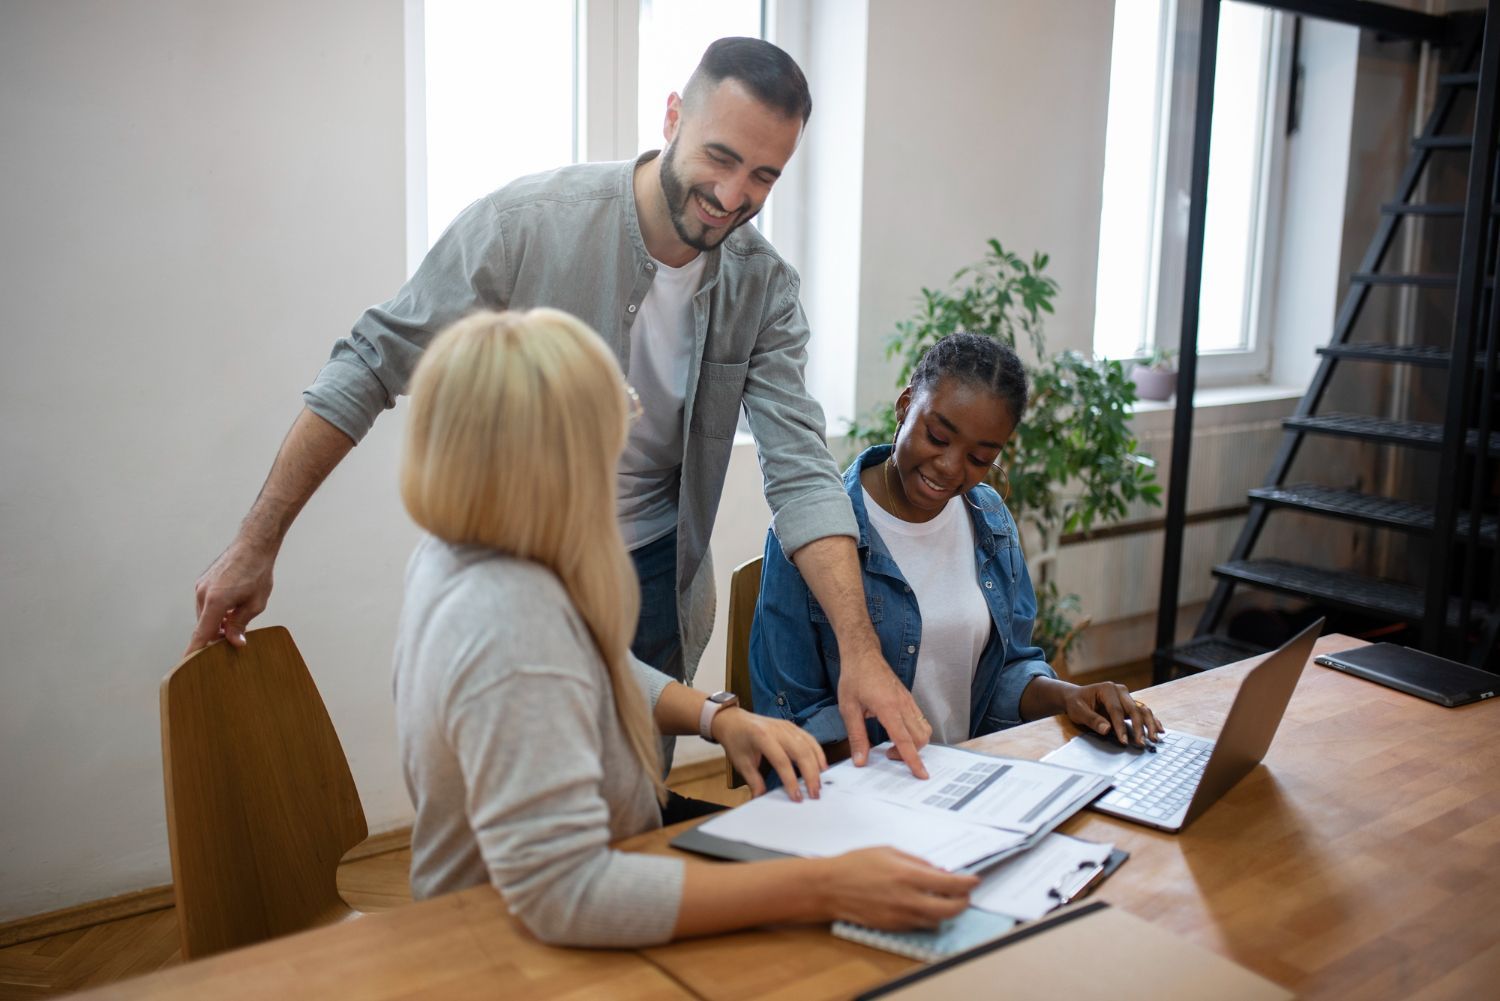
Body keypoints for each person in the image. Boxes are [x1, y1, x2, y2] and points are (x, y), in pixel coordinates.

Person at [189, 36, 930, 776]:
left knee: (633, 807)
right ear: (672, 116)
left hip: (655, 579)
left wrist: (859, 653)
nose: (734, 196)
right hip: (521, 565)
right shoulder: (525, 225)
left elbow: (800, 468)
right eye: (721, 158)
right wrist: (257, 541)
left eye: (764, 176)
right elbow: (372, 361)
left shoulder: (764, 288)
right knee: (524, 830)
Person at [392, 308, 975, 946]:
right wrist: (827, 886)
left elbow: (582, 667)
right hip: (499, 944)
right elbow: (567, 895)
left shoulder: (465, 550)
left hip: (593, 856)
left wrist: (717, 718)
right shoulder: (508, 615)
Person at [751, 333, 1164, 751]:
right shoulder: (814, 533)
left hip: (959, 780)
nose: (950, 468)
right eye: (937, 437)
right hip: (858, 791)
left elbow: (1003, 672)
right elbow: (796, 715)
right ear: (905, 404)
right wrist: (903, 787)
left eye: (979, 459)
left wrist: (1070, 695)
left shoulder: (991, 521)